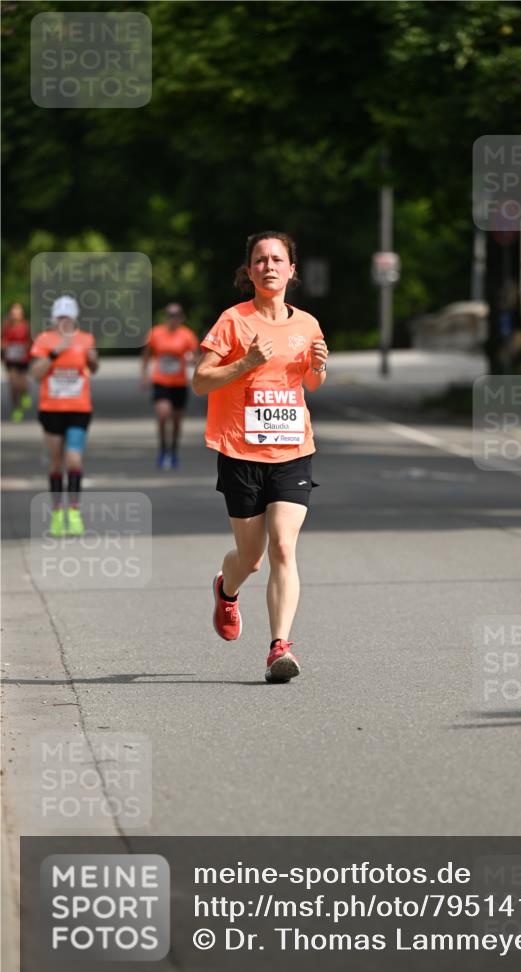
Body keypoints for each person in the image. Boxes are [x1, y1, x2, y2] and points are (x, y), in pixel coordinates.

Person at [193, 230, 328, 683]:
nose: (268, 266)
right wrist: (245, 363)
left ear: (292, 270)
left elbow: (311, 385)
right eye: (259, 260)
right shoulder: (233, 320)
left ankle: (279, 648)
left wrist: (318, 367)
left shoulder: (307, 325)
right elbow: (200, 381)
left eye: (277, 259)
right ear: (249, 271)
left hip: (293, 451)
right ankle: (226, 589)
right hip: (240, 452)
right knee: (251, 558)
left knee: (284, 547)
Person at [29, 295, 98, 537]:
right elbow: (36, 373)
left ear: (75, 318)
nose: (64, 323)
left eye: (68, 318)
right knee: (56, 461)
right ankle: (58, 512)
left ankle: (75, 511)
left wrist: (92, 358)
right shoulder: (44, 340)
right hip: (51, 409)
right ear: (54, 318)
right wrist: (54, 354)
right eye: (60, 318)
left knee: (74, 460)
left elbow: (94, 366)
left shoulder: (85, 339)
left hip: (79, 408)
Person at [141, 303, 199, 470]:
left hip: (179, 383)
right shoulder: (156, 333)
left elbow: (197, 359)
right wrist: (144, 375)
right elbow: (146, 354)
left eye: (176, 315)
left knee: (176, 421)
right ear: (166, 317)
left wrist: (191, 360)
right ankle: (162, 449)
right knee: (162, 415)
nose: (173, 318)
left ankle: (173, 450)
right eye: (170, 315)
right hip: (161, 381)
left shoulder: (187, 335)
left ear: (181, 317)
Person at [2, 303, 32, 422]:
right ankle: (17, 408)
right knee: (13, 385)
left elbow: (31, 340)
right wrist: (4, 346)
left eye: (18, 312)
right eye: (14, 312)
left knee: (22, 385)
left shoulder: (26, 326)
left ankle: (24, 394)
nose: (16, 314)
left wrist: (26, 347)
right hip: (10, 359)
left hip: (23, 359)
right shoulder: (6, 326)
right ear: (10, 313)